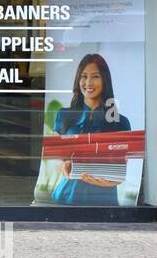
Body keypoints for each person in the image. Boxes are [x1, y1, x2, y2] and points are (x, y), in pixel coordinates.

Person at [50, 53, 132, 206]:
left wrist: (107, 183)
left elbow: (121, 172)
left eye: (95, 76)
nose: (88, 82)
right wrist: (64, 165)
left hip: (104, 200)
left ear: (105, 80)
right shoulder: (64, 115)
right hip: (67, 197)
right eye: (83, 76)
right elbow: (53, 159)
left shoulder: (121, 122)